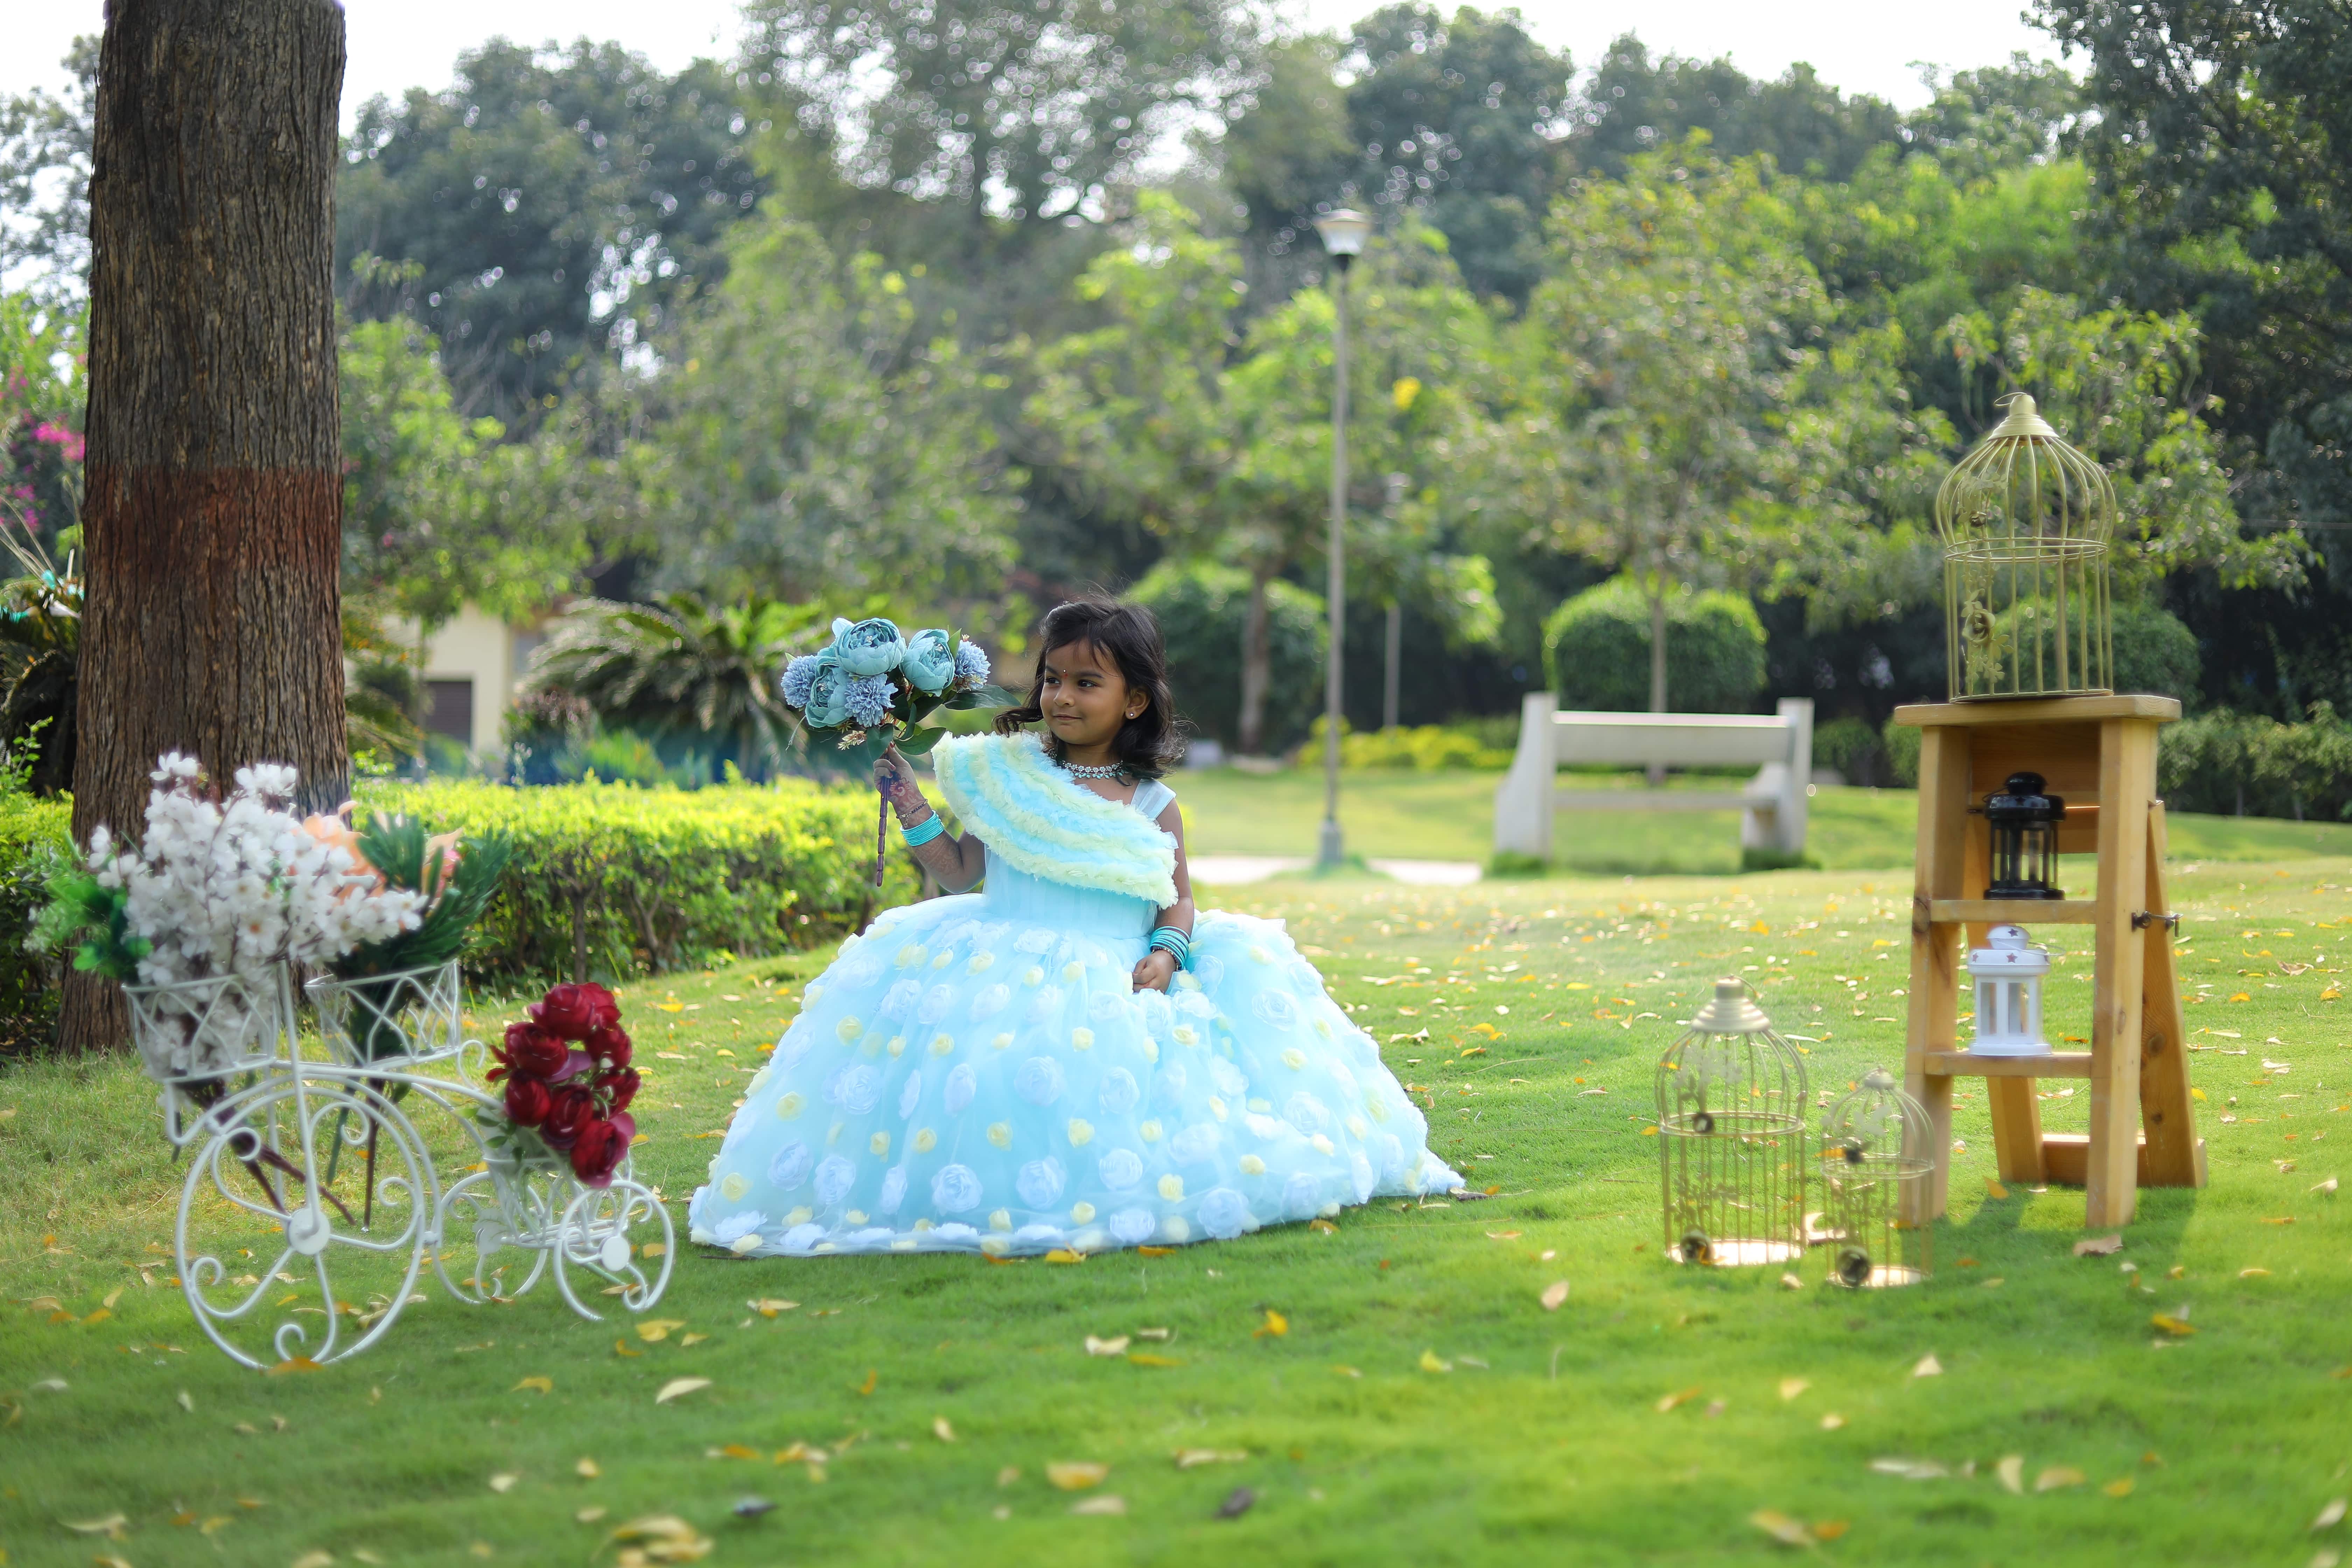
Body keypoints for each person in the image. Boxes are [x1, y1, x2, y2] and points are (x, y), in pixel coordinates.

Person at [686, 598, 1462, 1259]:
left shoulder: (1154, 801)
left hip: (1115, 971)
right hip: (1001, 963)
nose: (1062, 696)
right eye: (1053, 679)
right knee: (987, 1083)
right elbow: (962, 871)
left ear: (1132, 700)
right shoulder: (1010, 774)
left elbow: (1178, 898)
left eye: (1086, 682)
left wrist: (1168, 949)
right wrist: (913, 803)